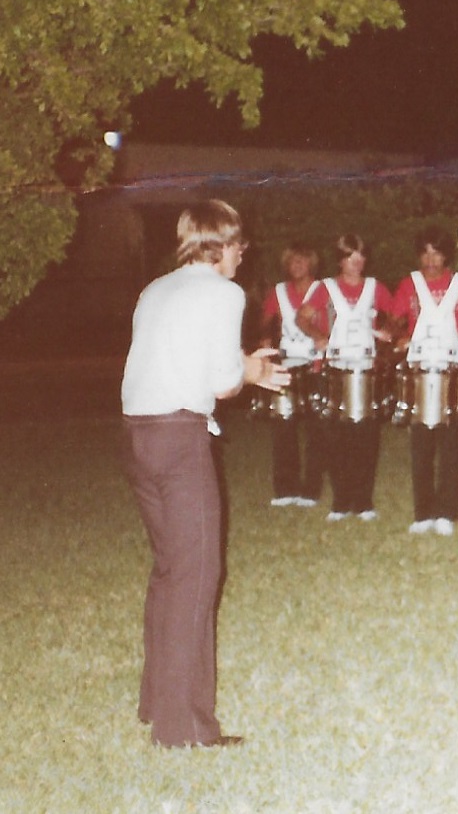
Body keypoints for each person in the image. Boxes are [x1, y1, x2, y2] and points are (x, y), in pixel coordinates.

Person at [121, 199, 287, 747]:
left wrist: (247, 366)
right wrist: (251, 370)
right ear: (223, 244)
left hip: (138, 434)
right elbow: (219, 384)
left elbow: (185, 356)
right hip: (178, 437)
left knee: (171, 569)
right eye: (240, 244)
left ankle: (155, 701)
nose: (244, 253)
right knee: (197, 576)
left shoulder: (157, 288)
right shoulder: (224, 291)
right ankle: (185, 729)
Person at [389, 228, 458, 536]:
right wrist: (398, 335)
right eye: (426, 253)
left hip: (450, 369)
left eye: (437, 253)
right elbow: (392, 320)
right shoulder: (409, 284)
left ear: (447, 256)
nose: (431, 260)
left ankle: (447, 511)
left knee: (451, 442)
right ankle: (423, 511)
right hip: (419, 368)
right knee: (421, 441)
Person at [297, 234, 393, 522]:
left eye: (361, 256)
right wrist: (318, 336)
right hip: (335, 367)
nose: (357, 262)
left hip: (365, 367)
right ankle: (340, 501)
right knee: (336, 437)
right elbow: (302, 317)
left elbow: (396, 315)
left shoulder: (375, 287)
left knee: (366, 435)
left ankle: (363, 501)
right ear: (340, 259)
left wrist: (388, 330)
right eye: (351, 257)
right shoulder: (326, 288)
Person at [258, 242, 325, 508]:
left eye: (302, 261)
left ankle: (311, 489)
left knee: (315, 428)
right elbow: (265, 319)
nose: (297, 266)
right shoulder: (278, 291)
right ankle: (285, 488)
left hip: (316, 363)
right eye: (292, 262)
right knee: (283, 427)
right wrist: (264, 337)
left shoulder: (322, 289)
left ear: (311, 264)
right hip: (287, 362)